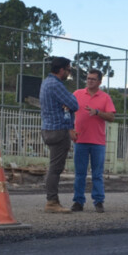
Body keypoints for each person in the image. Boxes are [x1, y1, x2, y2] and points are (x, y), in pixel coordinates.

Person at [72, 69, 116, 213]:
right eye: (88, 78)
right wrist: (69, 129)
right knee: (80, 174)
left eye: (93, 79)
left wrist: (97, 112)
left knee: (97, 174)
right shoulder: (77, 94)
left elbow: (111, 117)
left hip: (98, 142)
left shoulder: (105, 98)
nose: (89, 81)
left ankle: (98, 201)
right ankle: (78, 201)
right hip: (80, 140)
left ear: (99, 82)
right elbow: (66, 110)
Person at [39, 57, 79, 213]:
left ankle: (52, 200)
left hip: (48, 128)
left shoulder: (46, 83)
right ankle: (52, 201)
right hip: (58, 130)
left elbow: (69, 104)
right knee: (55, 168)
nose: (68, 73)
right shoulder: (57, 85)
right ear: (61, 69)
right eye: (68, 70)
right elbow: (74, 104)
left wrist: (67, 103)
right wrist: (70, 101)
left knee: (53, 166)